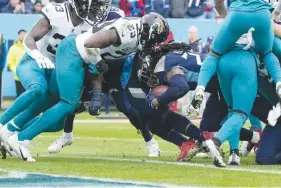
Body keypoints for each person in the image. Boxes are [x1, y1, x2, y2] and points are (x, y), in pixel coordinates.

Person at [0, 0, 112, 162]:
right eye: (92, 4)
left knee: (58, 121)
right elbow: (29, 38)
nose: (95, 9)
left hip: (57, 71)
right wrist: (37, 54)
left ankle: (12, 132)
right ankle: (2, 123)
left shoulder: (91, 25)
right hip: (34, 61)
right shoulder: (58, 12)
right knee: (38, 89)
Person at [6, 29, 26, 97]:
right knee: (20, 95)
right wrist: (17, 71)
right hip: (18, 77)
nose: (23, 36)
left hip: (29, 77)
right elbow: (10, 62)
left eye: (25, 34)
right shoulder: (13, 48)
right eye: (21, 34)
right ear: (18, 36)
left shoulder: (28, 48)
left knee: (28, 96)